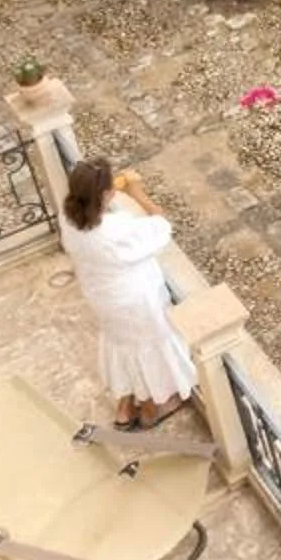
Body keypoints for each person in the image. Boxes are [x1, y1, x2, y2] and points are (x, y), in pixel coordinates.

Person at [57, 156, 196, 430]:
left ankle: (124, 406)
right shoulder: (114, 230)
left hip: (102, 294)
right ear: (107, 194)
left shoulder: (68, 216)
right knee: (146, 345)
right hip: (134, 297)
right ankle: (150, 408)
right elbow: (161, 226)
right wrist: (136, 192)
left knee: (121, 343)